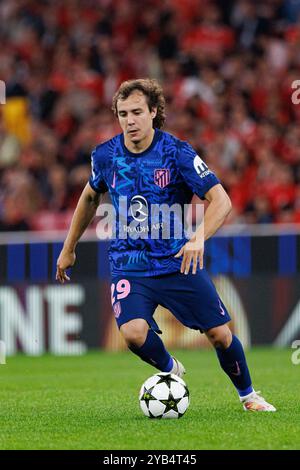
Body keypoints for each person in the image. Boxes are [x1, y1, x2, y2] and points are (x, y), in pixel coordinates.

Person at [56, 78, 275, 412]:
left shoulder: (177, 152)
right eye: (122, 113)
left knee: (219, 334)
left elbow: (221, 200)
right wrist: (69, 247)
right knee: (131, 333)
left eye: (137, 112)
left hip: (176, 261)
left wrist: (197, 238)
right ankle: (171, 369)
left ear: (153, 112)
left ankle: (249, 395)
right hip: (129, 263)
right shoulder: (104, 156)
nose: (129, 120)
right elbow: (89, 196)